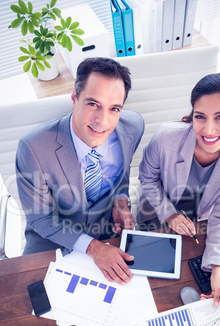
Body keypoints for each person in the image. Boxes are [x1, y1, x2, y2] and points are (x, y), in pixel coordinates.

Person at [16, 57, 144, 285]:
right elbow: (40, 217)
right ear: (75, 99)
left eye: (114, 108)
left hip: (107, 232)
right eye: (93, 104)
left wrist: (120, 200)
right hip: (51, 240)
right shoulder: (33, 148)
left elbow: (123, 171)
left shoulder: (133, 127)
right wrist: (92, 248)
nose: (102, 121)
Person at [137, 72, 220, 307]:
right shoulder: (166, 137)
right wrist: (169, 214)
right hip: (156, 217)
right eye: (200, 116)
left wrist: (218, 269)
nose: (209, 130)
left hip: (199, 227)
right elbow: (147, 178)